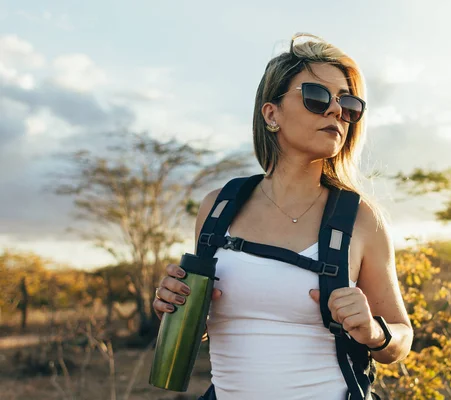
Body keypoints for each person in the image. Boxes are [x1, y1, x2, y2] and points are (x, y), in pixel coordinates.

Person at [153, 32, 413, 399]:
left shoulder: (360, 219)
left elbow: (401, 338)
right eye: (317, 97)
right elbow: (215, 326)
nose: (336, 111)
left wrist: (373, 331)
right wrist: (175, 303)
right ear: (271, 113)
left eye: (348, 104)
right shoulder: (219, 207)